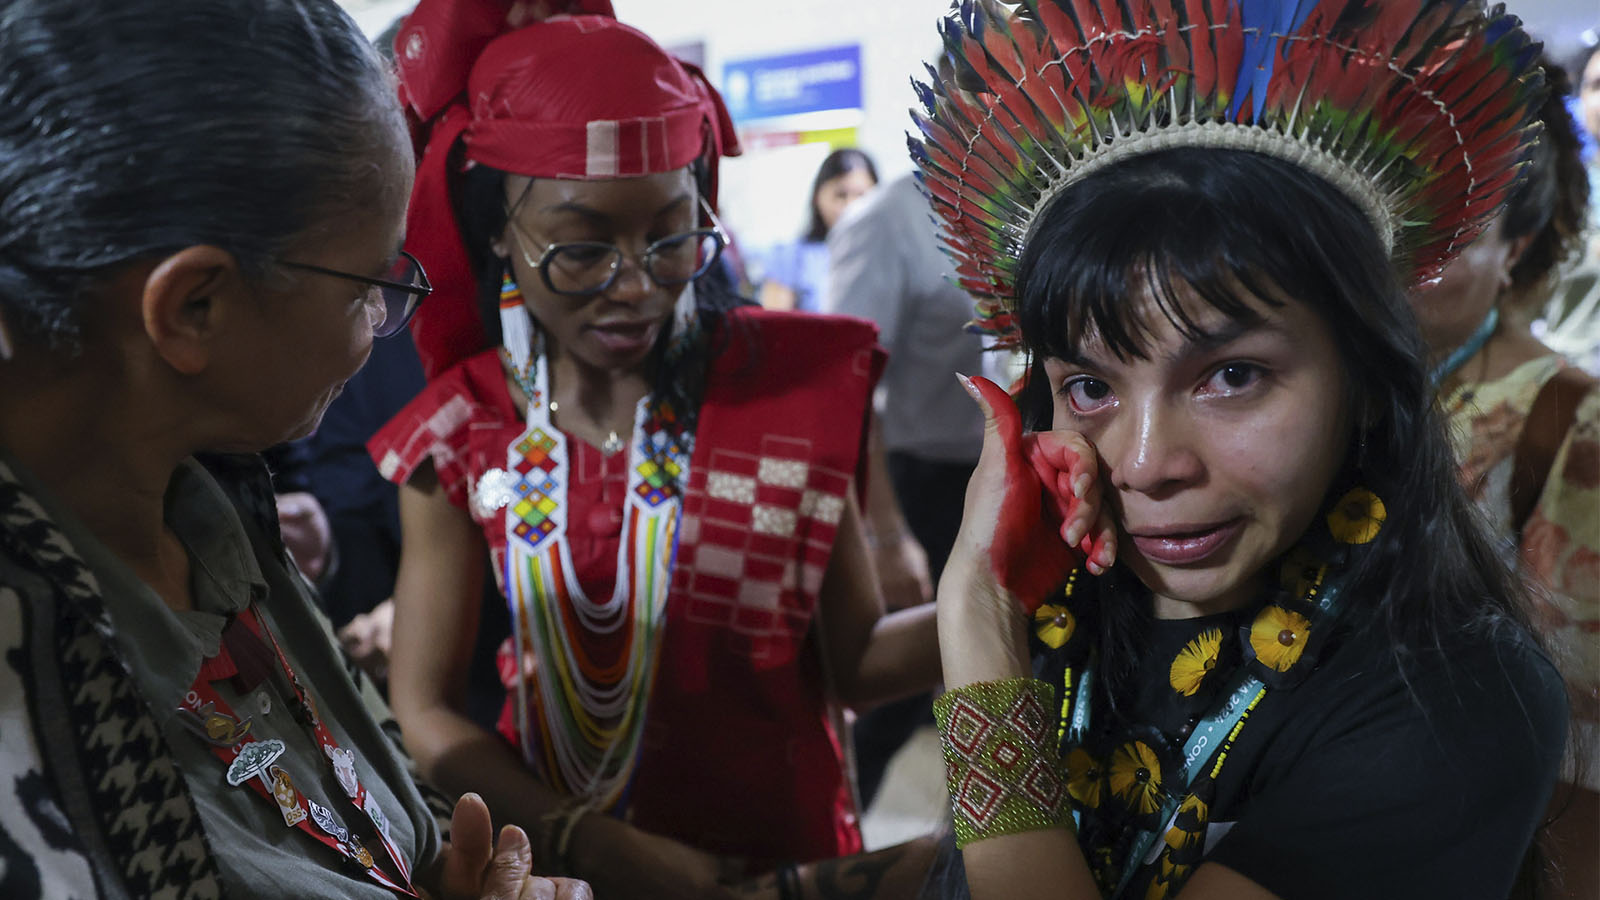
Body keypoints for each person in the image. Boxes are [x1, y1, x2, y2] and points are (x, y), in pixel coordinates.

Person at [909, 1, 1568, 898]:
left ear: (1367, 377)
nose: (1144, 463)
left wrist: (976, 618)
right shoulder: (1076, 614)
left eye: (1231, 377)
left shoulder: (1454, 697)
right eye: (1091, 387)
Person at [0, 1, 589, 899]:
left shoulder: (209, 513)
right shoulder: (27, 673)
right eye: (369, 285)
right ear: (193, 307)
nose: (380, 328)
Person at [368, 3, 941, 897]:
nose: (636, 286)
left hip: (793, 861)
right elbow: (428, 707)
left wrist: (1011, 586)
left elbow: (858, 661)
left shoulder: (789, 388)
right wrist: (590, 843)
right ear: (495, 232)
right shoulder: (466, 424)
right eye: (583, 248)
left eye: (672, 237)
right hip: (563, 872)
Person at [1414, 57, 1599, 900]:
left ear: (1512, 247)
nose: (1401, 263)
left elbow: (1579, 759)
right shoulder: (1332, 393)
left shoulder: (1568, 423)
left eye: (1443, 238)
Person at [759, 148, 878, 313]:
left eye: (862, 195)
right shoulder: (789, 257)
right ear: (817, 198)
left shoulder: (889, 255)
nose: (851, 206)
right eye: (840, 195)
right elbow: (776, 327)